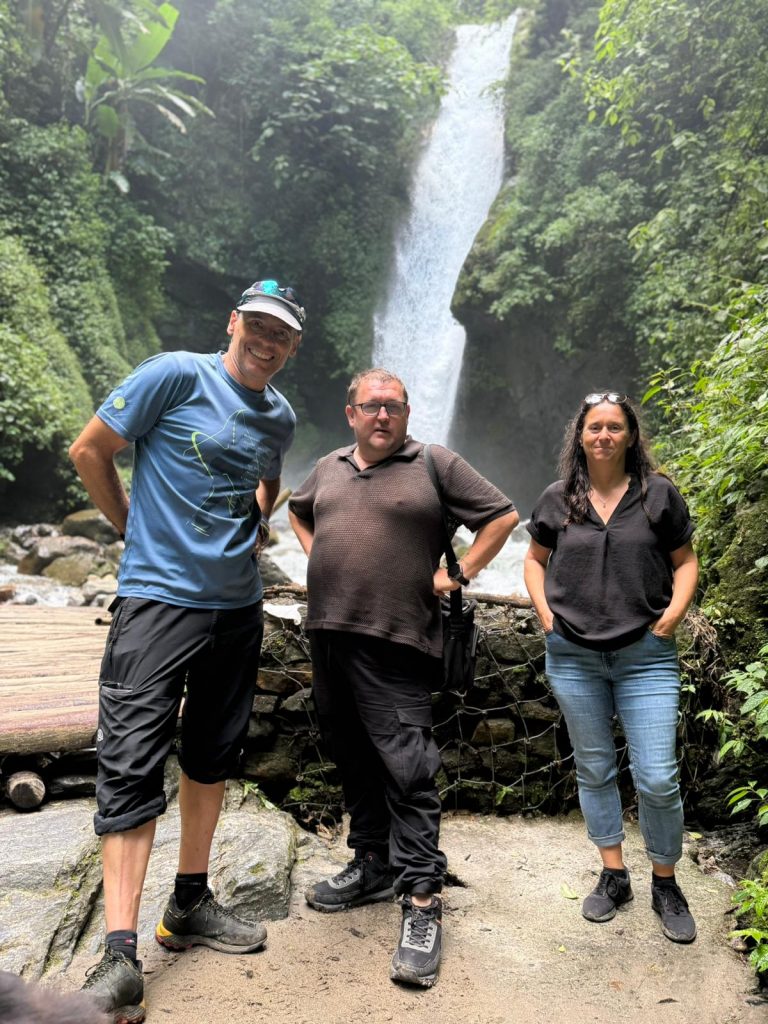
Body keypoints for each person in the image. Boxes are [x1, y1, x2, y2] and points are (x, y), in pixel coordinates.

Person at [68, 279, 305, 1022]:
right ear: (233, 321)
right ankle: (119, 955)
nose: (267, 340)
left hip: (237, 610)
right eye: (258, 324)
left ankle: (190, 901)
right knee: (131, 760)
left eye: (282, 333)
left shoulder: (280, 415)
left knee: (211, 754)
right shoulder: (174, 374)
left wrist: (255, 523)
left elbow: (269, 478)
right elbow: (90, 450)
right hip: (157, 603)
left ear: (294, 346)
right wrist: (130, 527)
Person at [288, 368, 518, 987]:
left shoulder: (434, 463)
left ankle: (422, 900)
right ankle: (372, 864)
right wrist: (318, 553)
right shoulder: (329, 466)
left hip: (396, 642)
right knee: (352, 756)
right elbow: (298, 511)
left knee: (408, 769)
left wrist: (459, 573)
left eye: (393, 406)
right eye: (371, 406)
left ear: (407, 413)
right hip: (328, 636)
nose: (382, 415)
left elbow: (502, 515)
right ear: (352, 414)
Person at [523, 390, 699, 944]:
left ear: (630, 436)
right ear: (580, 436)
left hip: (645, 657)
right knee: (595, 767)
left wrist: (671, 617)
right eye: (594, 427)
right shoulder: (558, 499)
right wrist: (546, 615)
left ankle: (665, 882)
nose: (603, 436)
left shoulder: (658, 495)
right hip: (573, 656)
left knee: (657, 776)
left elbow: (685, 562)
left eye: (614, 427)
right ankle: (614, 874)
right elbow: (534, 560)